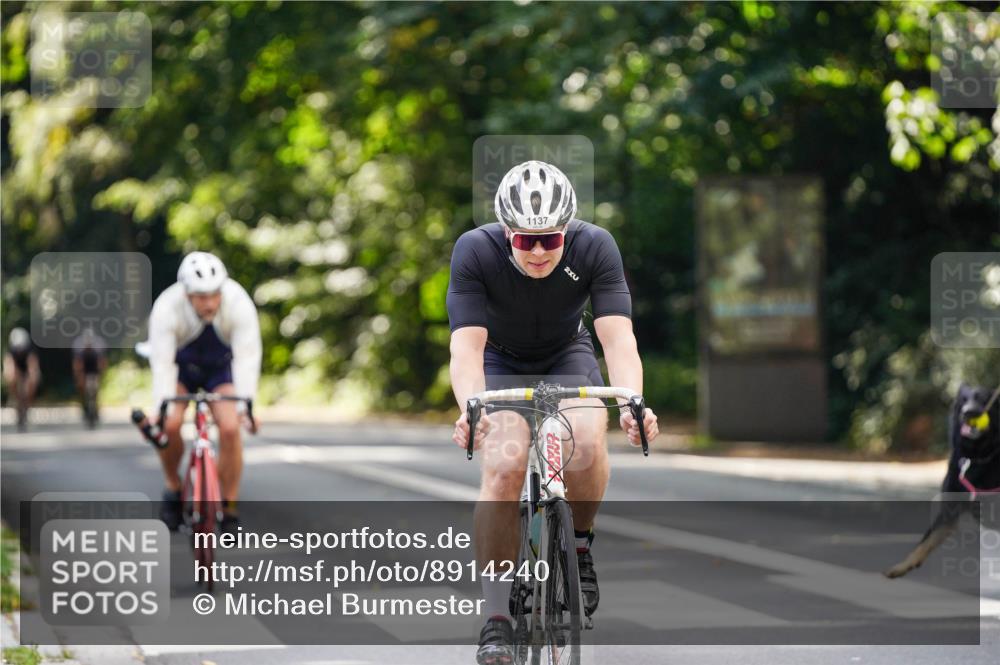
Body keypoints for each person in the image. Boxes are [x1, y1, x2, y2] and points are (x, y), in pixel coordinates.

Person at [447, 160, 660, 664]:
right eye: (525, 241)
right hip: (500, 359)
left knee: (586, 441)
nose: (539, 251)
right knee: (502, 465)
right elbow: (466, 349)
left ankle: (580, 548)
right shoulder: (474, 250)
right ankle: (496, 618)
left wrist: (633, 400)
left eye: (550, 239)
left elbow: (618, 339)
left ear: (568, 229)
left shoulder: (596, 246)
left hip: (568, 355)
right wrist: (471, 410)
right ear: (505, 233)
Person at [148, 251, 262, 534]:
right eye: (201, 296)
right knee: (170, 424)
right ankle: (173, 487)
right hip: (181, 368)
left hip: (219, 369)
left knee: (230, 428)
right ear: (187, 294)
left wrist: (246, 407)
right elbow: (162, 363)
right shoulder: (166, 307)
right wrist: (160, 407)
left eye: (214, 294)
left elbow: (247, 356)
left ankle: (229, 506)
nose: (210, 302)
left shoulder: (238, 302)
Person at [3, 327, 40, 431]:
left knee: (32, 382)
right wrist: (11, 376)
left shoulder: (30, 350)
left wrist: (32, 378)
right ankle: (15, 398)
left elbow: (32, 366)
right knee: (11, 378)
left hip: (27, 369)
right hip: (17, 369)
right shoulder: (11, 350)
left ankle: (27, 404)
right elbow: (9, 365)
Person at [71, 328, 107, 425]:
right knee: (83, 389)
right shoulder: (79, 348)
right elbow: (77, 365)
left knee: (95, 390)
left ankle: (96, 408)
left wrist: (100, 376)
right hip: (84, 370)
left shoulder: (98, 348)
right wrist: (79, 378)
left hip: (94, 370)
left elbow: (102, 363)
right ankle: (84, 407)